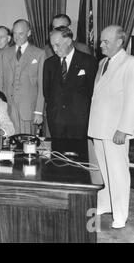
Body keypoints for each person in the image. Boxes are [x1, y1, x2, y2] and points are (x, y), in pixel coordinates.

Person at [88, 25, 134, 229]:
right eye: (101, 41)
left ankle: (121, 213)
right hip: (99, 126)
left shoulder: (129, 63)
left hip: (115, 129)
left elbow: (132, 100)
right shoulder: (102, 63)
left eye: (106, 41)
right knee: (103, 170)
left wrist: (124, 129)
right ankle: (105, 204)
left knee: (118, 172)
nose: (101, 45)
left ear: (119, 42)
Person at [43, 26, 97, 139]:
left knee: (78, 154)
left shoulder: (88, 61)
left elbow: (92, 92)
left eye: (57, 45)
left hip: (79, 121)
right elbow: (47, 93)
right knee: (58, 154)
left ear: (68, 41)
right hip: (56, 120)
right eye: (52, 46)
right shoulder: (49, 63)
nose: (54, 49)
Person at [0, 19, 44, 134]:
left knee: (28, 145)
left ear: (28, 33)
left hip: (28, 109)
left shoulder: (39, 54)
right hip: (7, 109)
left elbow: (42, 85)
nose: (17, 37)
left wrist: (39, 111)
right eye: (15, 33)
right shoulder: (4, 54)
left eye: (21, 34)